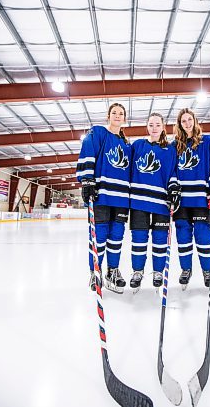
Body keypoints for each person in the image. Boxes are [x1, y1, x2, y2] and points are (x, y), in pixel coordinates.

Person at [76, 103, 131, 293]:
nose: (117, 116)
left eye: (121, 113)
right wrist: (87, 180)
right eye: (114, 112)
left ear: (125, 119)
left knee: (116, 236)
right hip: (102, 195)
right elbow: (87, 151)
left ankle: (112, 270)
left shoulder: (126, 143)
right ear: (108, 116)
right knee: (99, 236)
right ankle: (95, 272)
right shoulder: (98, 132)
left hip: (122, 198)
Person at [129, 113, 180, 290]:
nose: (154, 128)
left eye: (157, 124)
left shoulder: (170, 149)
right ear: (147, 127)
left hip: (161, 202)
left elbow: (173, 173)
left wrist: (173, 188)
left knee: (160, 239)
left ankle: (158, 271)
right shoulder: (137, 145)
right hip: (138, 201)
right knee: (139, 238)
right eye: (151, 125)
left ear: (163, 126)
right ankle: (137, 271)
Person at [173, 108, 210, 287]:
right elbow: (171, 172)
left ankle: (207, 271)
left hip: (201, 198)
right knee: (183, 236)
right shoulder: (175, 146)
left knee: (203, 236)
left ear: (195, 120)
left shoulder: (208, 142)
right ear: (179, 124)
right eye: (183, 121)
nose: (187, 123)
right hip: (181, 201)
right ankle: (186, 269)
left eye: (189, 119)